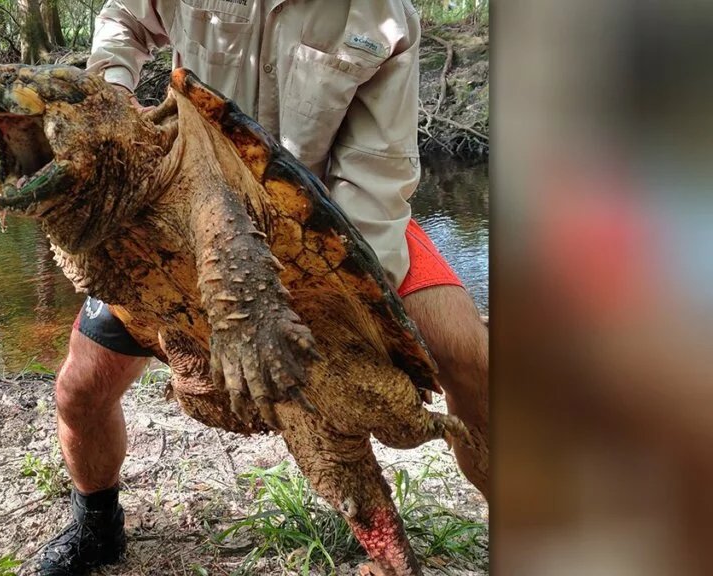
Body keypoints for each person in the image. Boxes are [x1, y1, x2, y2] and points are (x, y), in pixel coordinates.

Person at [33, 2, 489, 574]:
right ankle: (96, 523)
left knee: (473, 361)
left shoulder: (382, 15)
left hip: (324, 214)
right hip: (179, 204)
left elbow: (376, 173)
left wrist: (334, 303)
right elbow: (122, 18)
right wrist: (113, 94)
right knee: (80, 391)